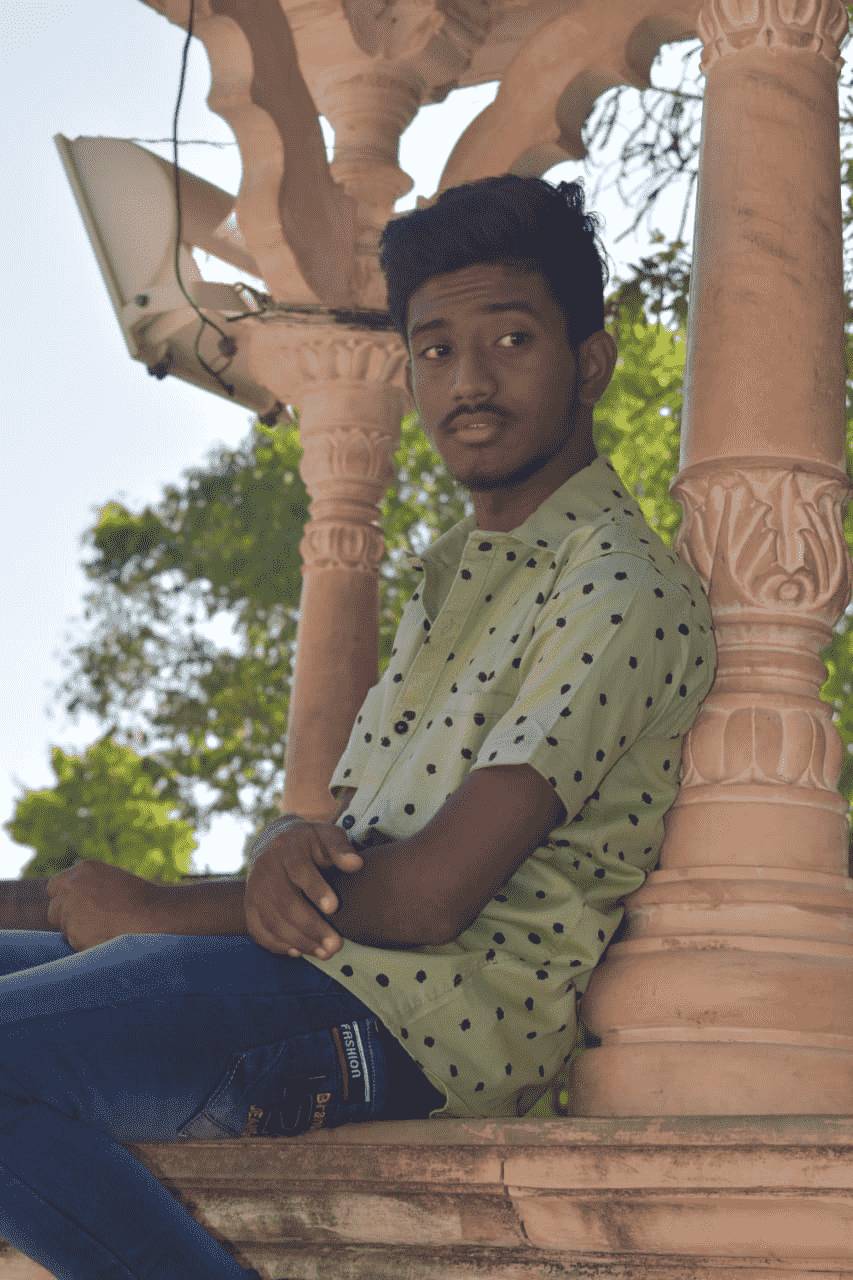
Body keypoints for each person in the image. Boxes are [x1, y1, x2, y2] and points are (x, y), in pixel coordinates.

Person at [0, 175, 716, 1279]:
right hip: (316, 966)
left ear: (590, 362)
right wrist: (276, 854)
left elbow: (427, 898)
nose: (467, 381)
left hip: (413, 1020)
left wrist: (156, 910)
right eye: (434, 350)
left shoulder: (618, 585)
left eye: (511, 340)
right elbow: (342, 851)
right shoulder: (454, 580)